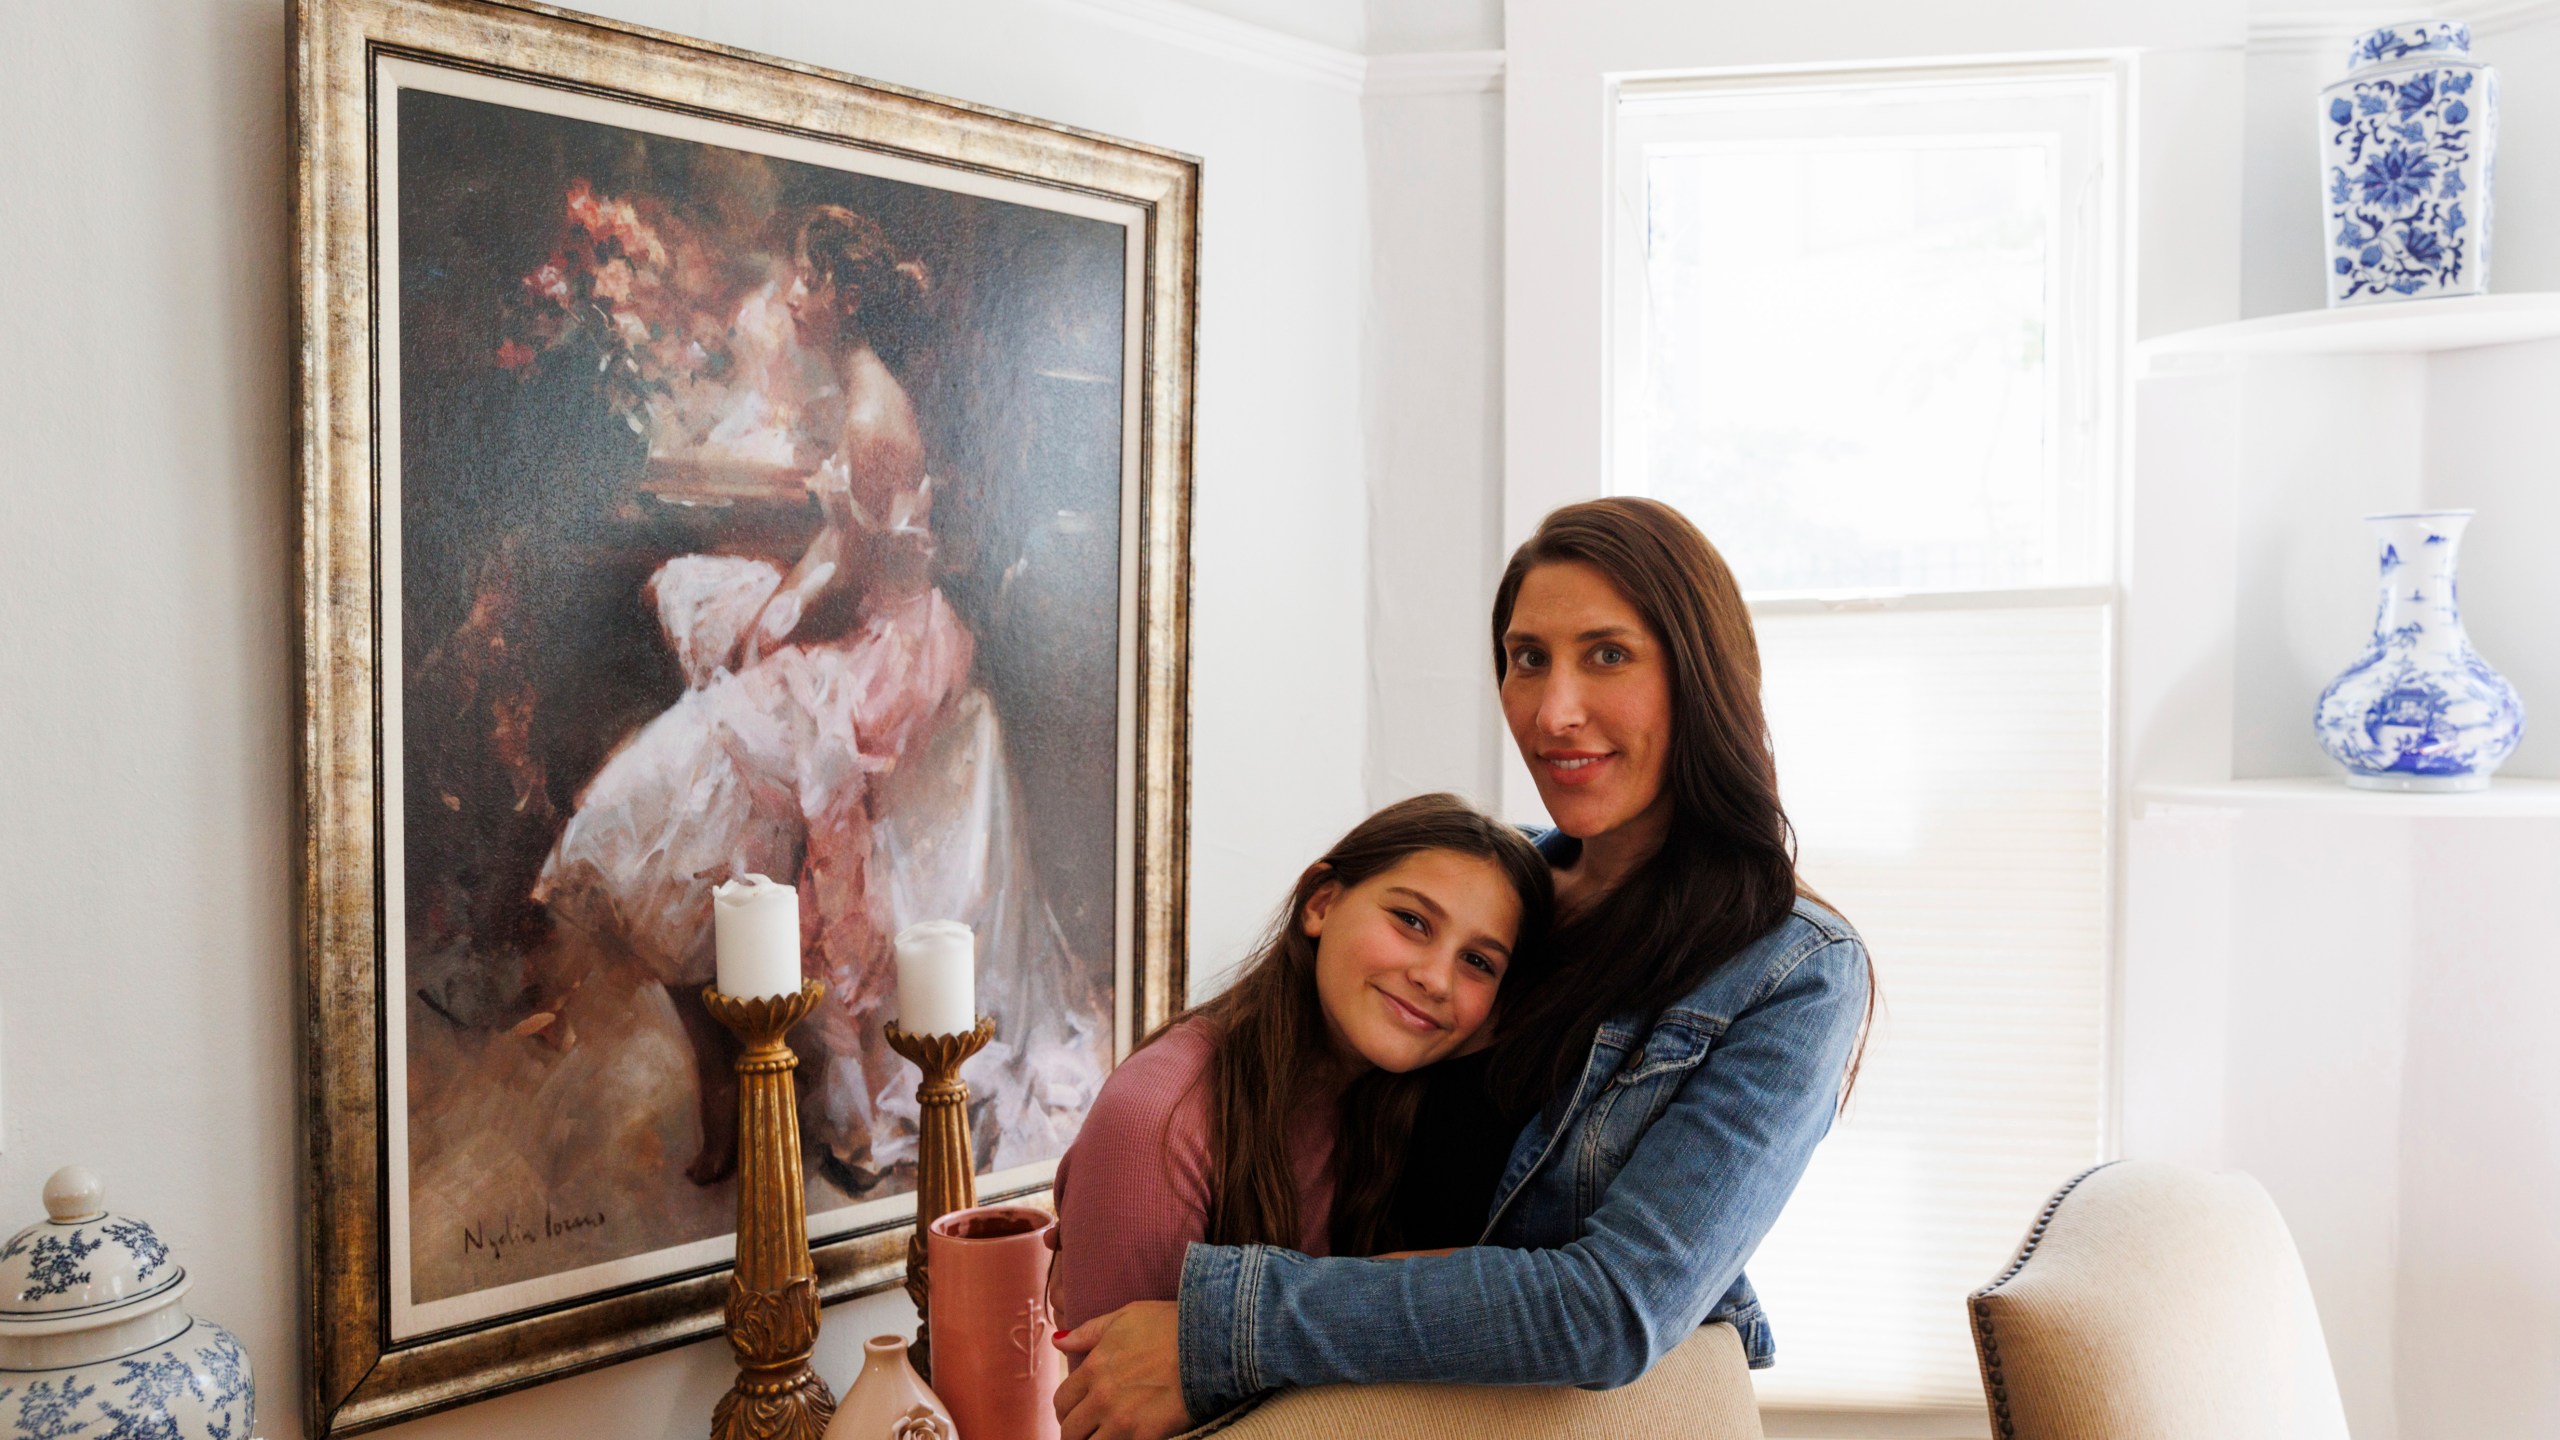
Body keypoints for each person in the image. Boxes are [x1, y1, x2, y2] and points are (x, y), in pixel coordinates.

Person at [1053, 497, 1875, 1438]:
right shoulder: (1494, 893)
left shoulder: (1791, 973)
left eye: (1607, 654)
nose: (1554, 712)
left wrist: (1226, 1328)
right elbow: (1281, 1055)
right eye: (1528, 659)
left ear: (1700, 676)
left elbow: (1609, 1310)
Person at [1050, 793, 1555, 1333]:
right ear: (1320, 903)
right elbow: (1105, 1404)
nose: (1435, 979)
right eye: (1411, 920)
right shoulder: (1155, 1122)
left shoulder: (1405, 1107)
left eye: (1478, 961)